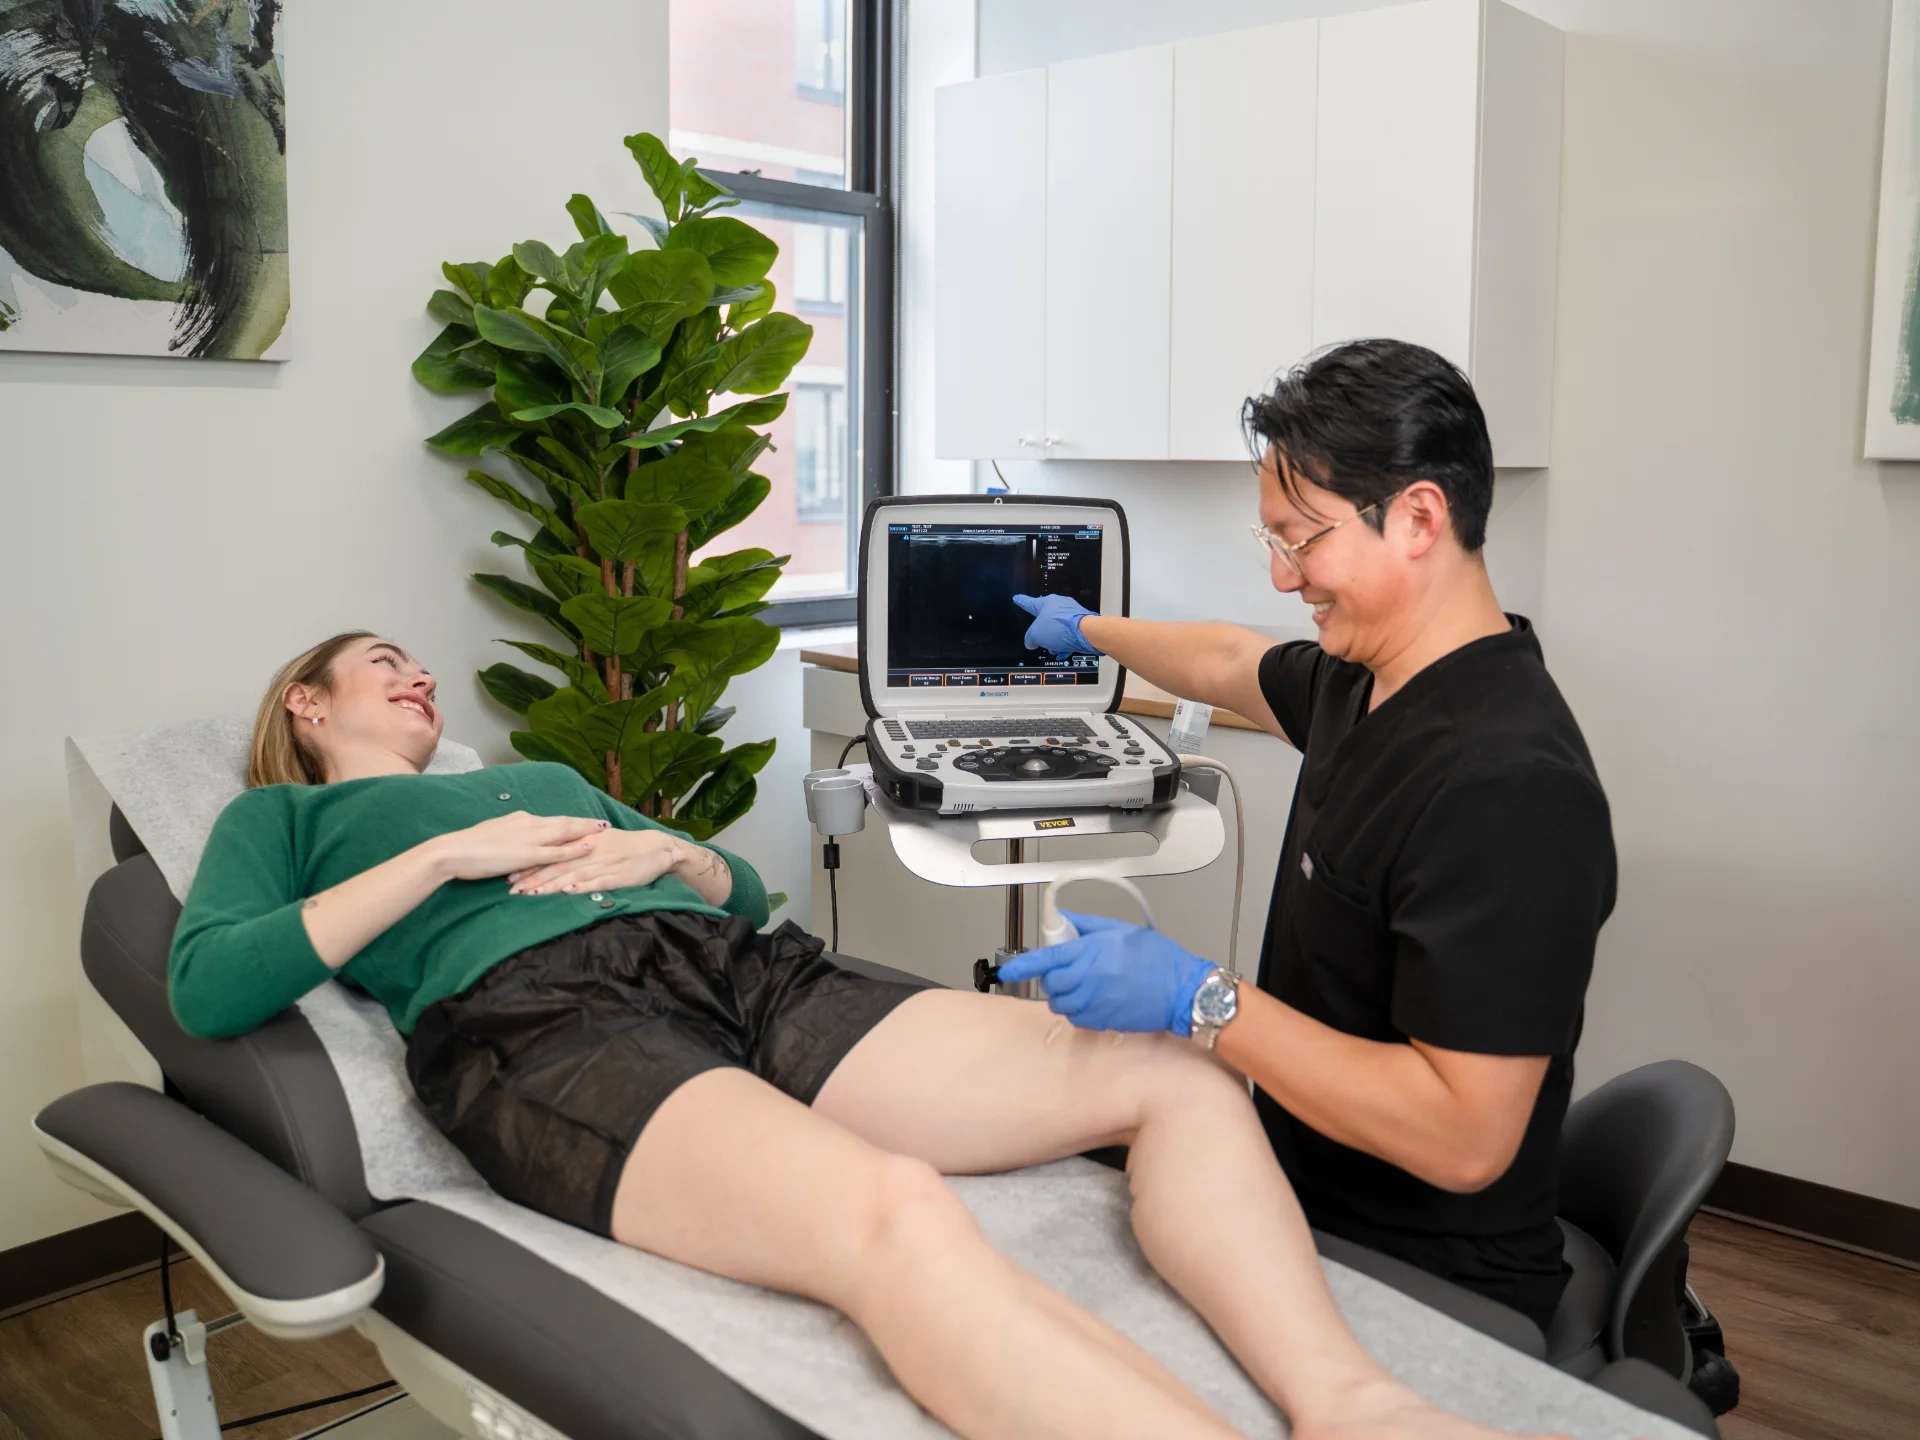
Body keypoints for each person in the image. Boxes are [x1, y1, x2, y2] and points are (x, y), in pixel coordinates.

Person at [170, 630, 1557, 1440]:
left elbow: (743, 888)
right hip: (541, 1025)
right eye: (381, 665)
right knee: (894, 1214)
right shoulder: (286, 821)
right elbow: (210, 984)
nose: (417, 675)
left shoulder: (535, 772)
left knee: (1173, 1068)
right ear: (308, 703)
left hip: (737, 969)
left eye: (419, 664)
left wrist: (668, 856)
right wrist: (447, 859)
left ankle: (1349, 1401)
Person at [1003, 339, 1616, 1337]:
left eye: (1302, 540)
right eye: (1272, 542)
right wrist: (1088, 629)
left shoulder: (1506, 785)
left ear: (1418, 517)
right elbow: (1227, 660)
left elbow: (1465, 1137)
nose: (1284, 578)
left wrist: (1203, 1000)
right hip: (1299, 1184)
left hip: (1421, 1280)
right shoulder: (1367, 681)